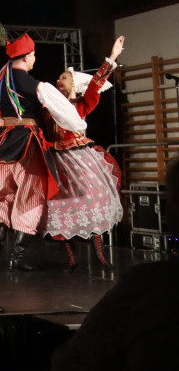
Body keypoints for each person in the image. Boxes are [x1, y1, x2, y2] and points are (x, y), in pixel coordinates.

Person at [0, 24, 86, 270]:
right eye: (33, 55)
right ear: (28, 56)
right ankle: (17, 257)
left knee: (0, 193)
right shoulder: (35, 85)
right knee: (30, 195)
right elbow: (65, 113)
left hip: (3, 143)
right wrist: (78, 125)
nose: (34, 59)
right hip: (26, 142)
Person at [48, 158, 179, 371]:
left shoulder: (149, 286)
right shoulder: (148, 285)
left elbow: (75, 360)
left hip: (77, 160)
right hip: (66, 161)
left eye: (170, 200)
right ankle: (77, 258)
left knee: (91, 216)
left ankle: (100, 256)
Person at [43, 36, 126, 271]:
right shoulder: (47, 107)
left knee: (93, 198)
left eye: (64, 77)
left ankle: (100, 254)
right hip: (57, 159)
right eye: (58, 77)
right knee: (61, 204)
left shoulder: (82, 104)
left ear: (74, 84)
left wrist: (111, 58)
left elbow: (95, 85)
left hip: (81, 158)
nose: (59, 80)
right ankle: (71, 257)